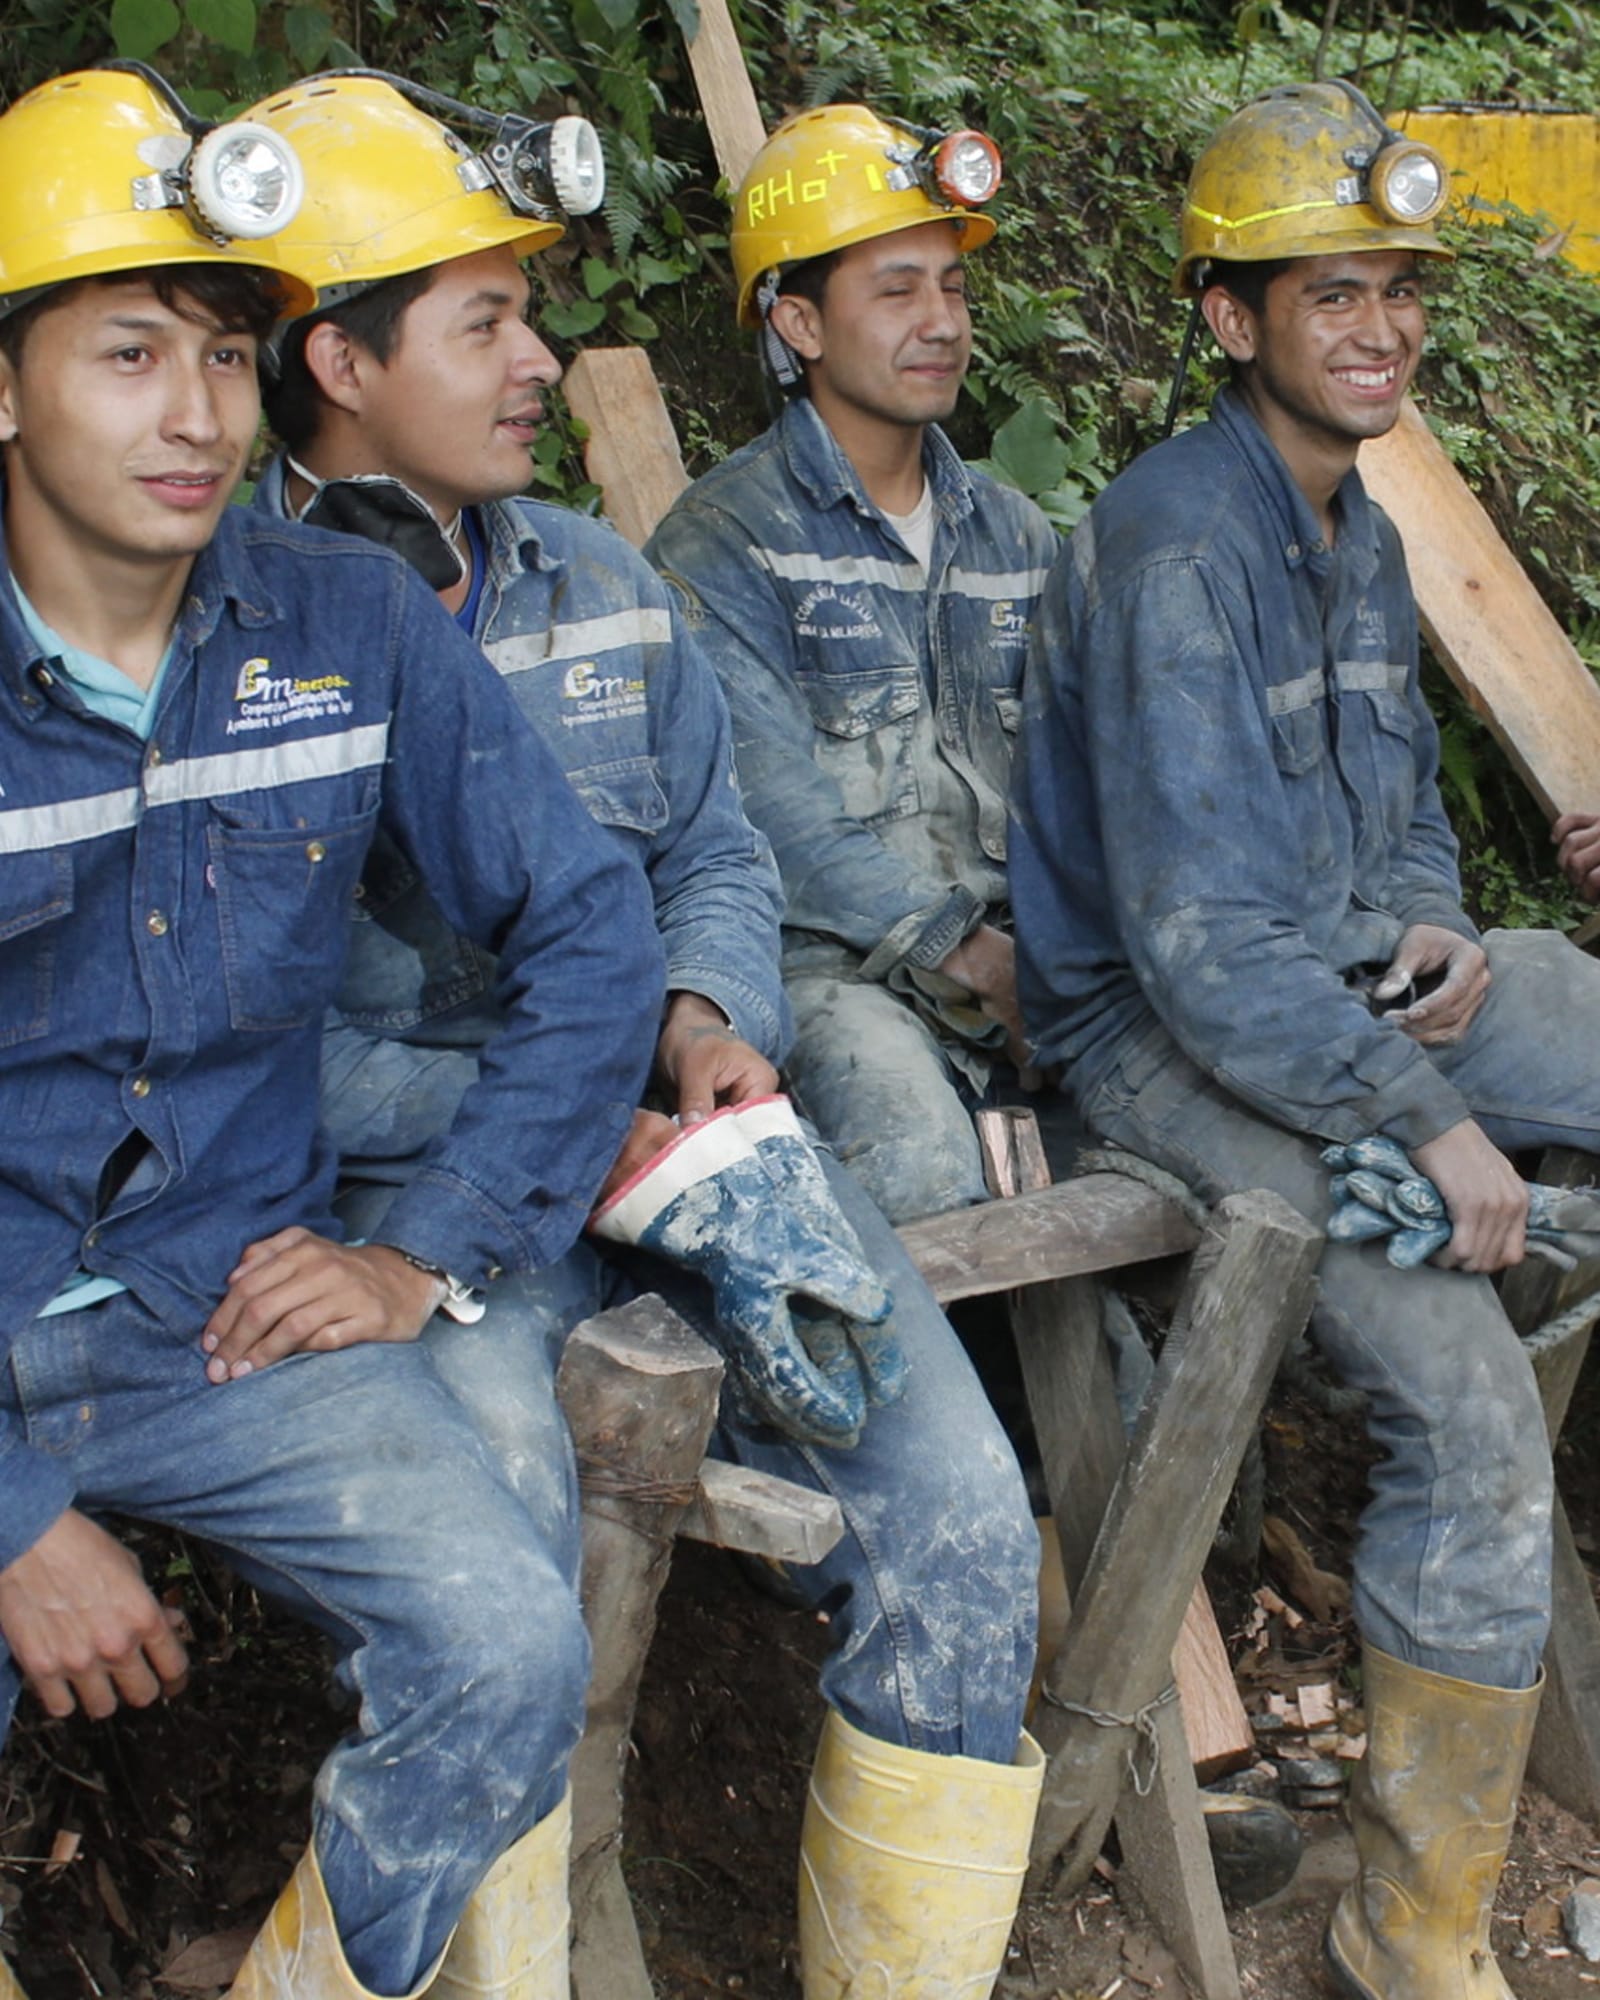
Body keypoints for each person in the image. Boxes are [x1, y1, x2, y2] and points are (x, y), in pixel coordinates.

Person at [248, 73, 1042, 2000]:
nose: (540, 359)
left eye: (532, 313)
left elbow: (714, 849)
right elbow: (229, 1043)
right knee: (498, 1593)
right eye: (487, 321)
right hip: (420, 1216)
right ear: (335, 361)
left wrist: (706, 1026)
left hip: (691, 1152)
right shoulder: (237, 644)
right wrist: (540, 1131)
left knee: (961, 1520)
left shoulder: (602, 586)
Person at [0, 64, 668, 2000]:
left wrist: (423, 1241)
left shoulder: (343, 621)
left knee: (503, 1648)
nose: (196, 411)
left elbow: (587, 919)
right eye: (128, 352)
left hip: (219, 1311)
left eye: (225, 353)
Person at [1009, 79, 1600, 2000]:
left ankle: (1556, 1239)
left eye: (1398, 291)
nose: (1380, 328)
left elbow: (1405, 801)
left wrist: (1432, 917)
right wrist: (1427, 1122)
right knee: (1474, 1412)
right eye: (1329, 292)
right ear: (1224, 317)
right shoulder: (1177, 540)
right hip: (1170, 1039)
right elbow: (1193, 953)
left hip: (1353, 983)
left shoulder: (1355, 523)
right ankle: (1413, 1933)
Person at [646, 106, 1062, 1224]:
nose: (941, 322)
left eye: (953, 287)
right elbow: (771, 815)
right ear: (800, 321)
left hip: (1025, 966)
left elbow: (1089, 776)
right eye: (895, 290)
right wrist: (972, 956)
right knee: (921, 1167)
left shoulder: (1016, 536)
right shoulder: (726, 542)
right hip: (833, 979)